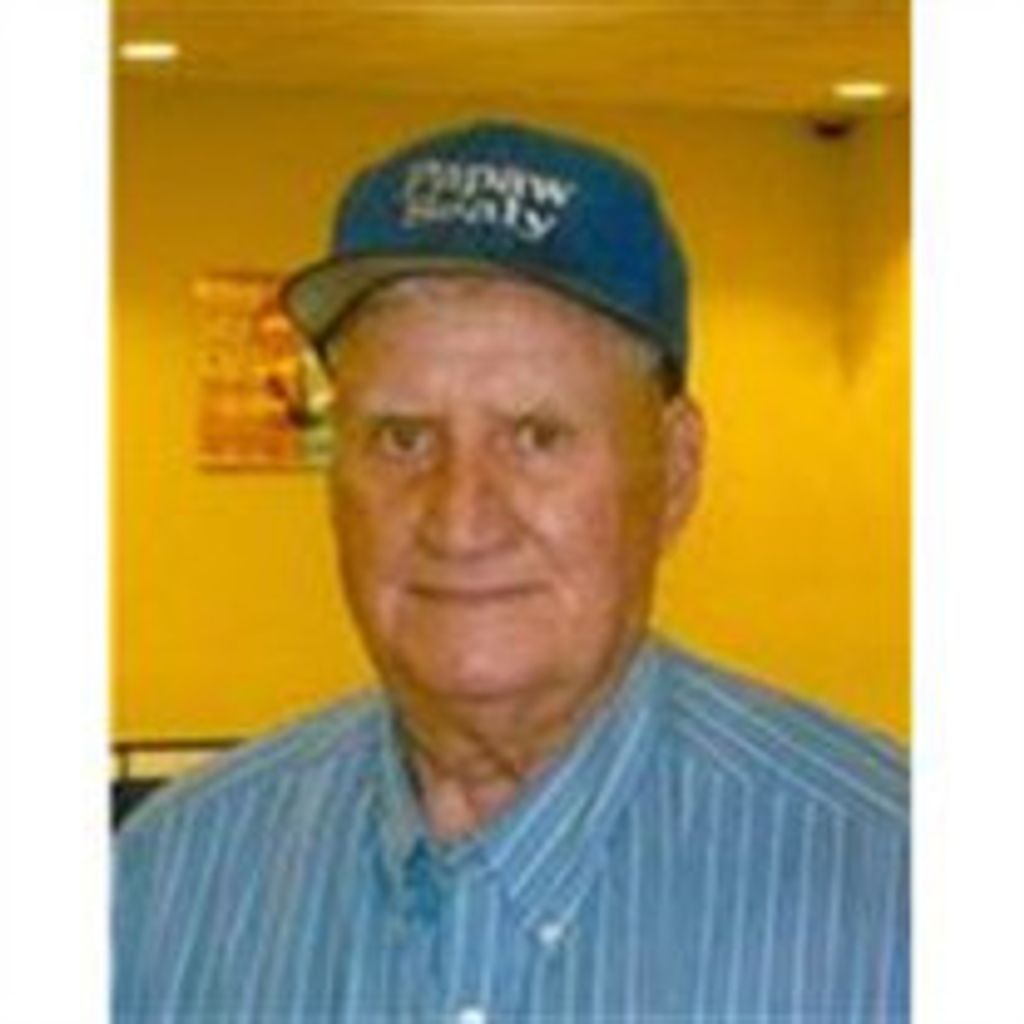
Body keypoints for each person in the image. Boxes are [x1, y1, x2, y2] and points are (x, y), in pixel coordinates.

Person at [114, 120, 909, 1022]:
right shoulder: (162, 887)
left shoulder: (897, 884)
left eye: (537, 437)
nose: (460, 521)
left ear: (676, 471)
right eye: (402, 438)